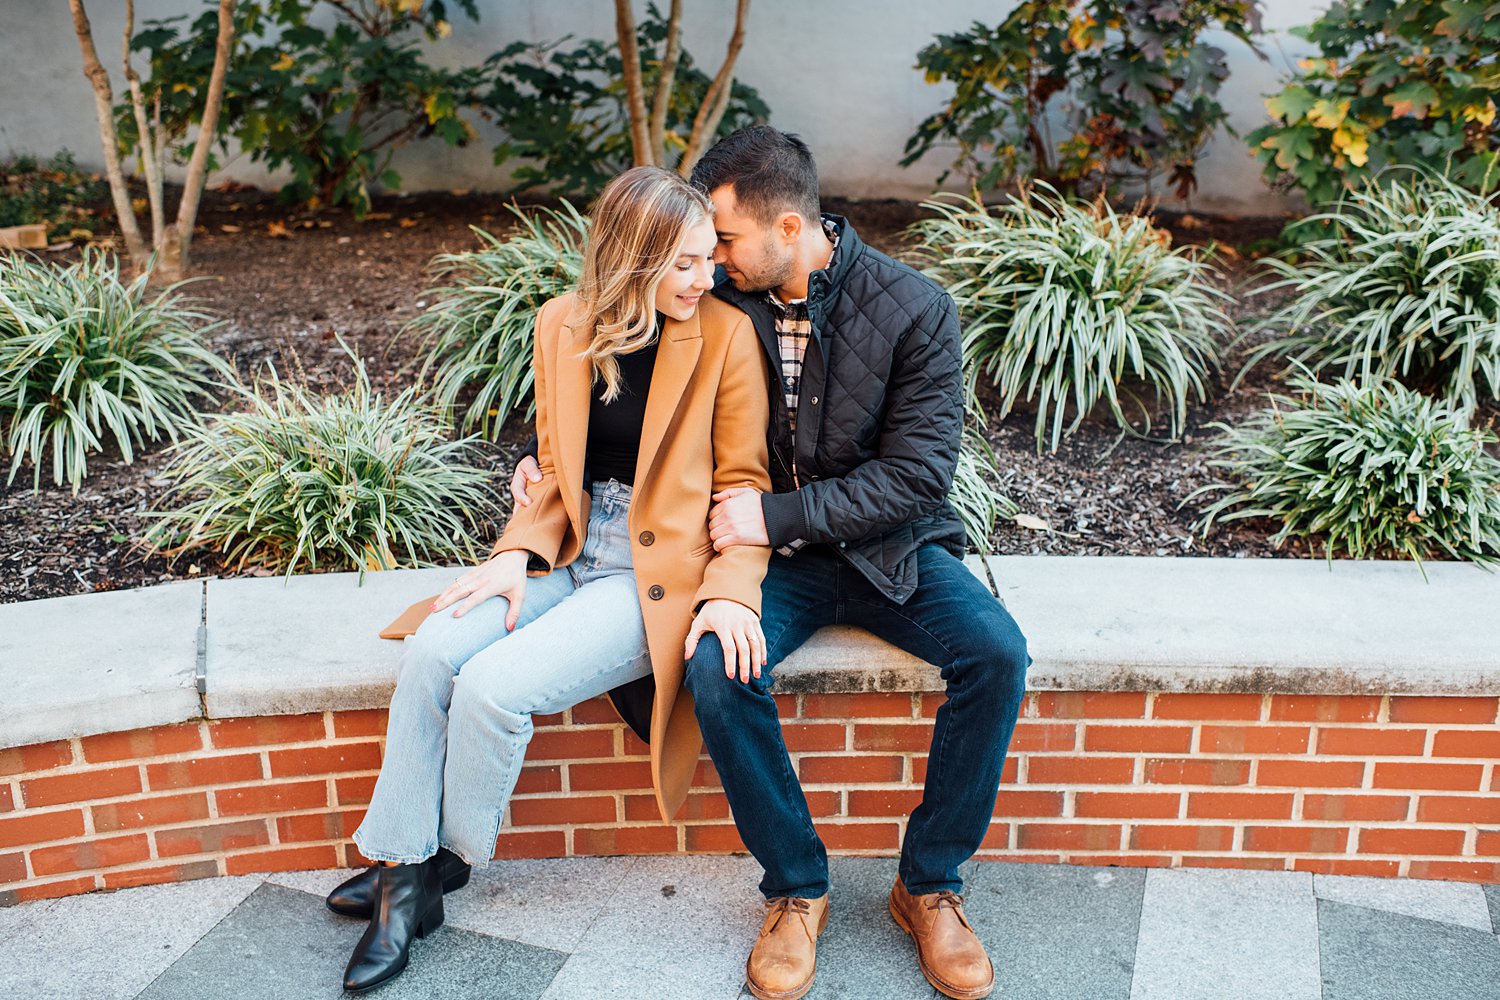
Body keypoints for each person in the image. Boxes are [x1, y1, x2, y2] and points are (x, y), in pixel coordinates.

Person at [510, 127, 1030, 1000]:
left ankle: (930, 884)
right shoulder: (715, 303)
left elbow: (915, 477)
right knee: (714, 669)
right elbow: (608, 385)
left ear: (789, 228)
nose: (707, 260)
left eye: (721, 239)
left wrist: (777, 508)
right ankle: (795, 887)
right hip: (760, 562)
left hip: (889, 552)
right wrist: (539, 458)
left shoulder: (915, 309)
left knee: (997, 656)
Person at [333, 165, 773, 994]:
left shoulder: (724, 335)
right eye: (680, 263)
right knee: (432, 653)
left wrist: (730, 591)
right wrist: (511, 553)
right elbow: (551, 474)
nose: (703, 277)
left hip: (647, 579)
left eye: (706, 257)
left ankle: (438, 870)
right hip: (566, 551)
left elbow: (744, 488)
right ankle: (402, 872)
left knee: (493, 688)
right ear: (630, 259)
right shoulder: (562, 325)